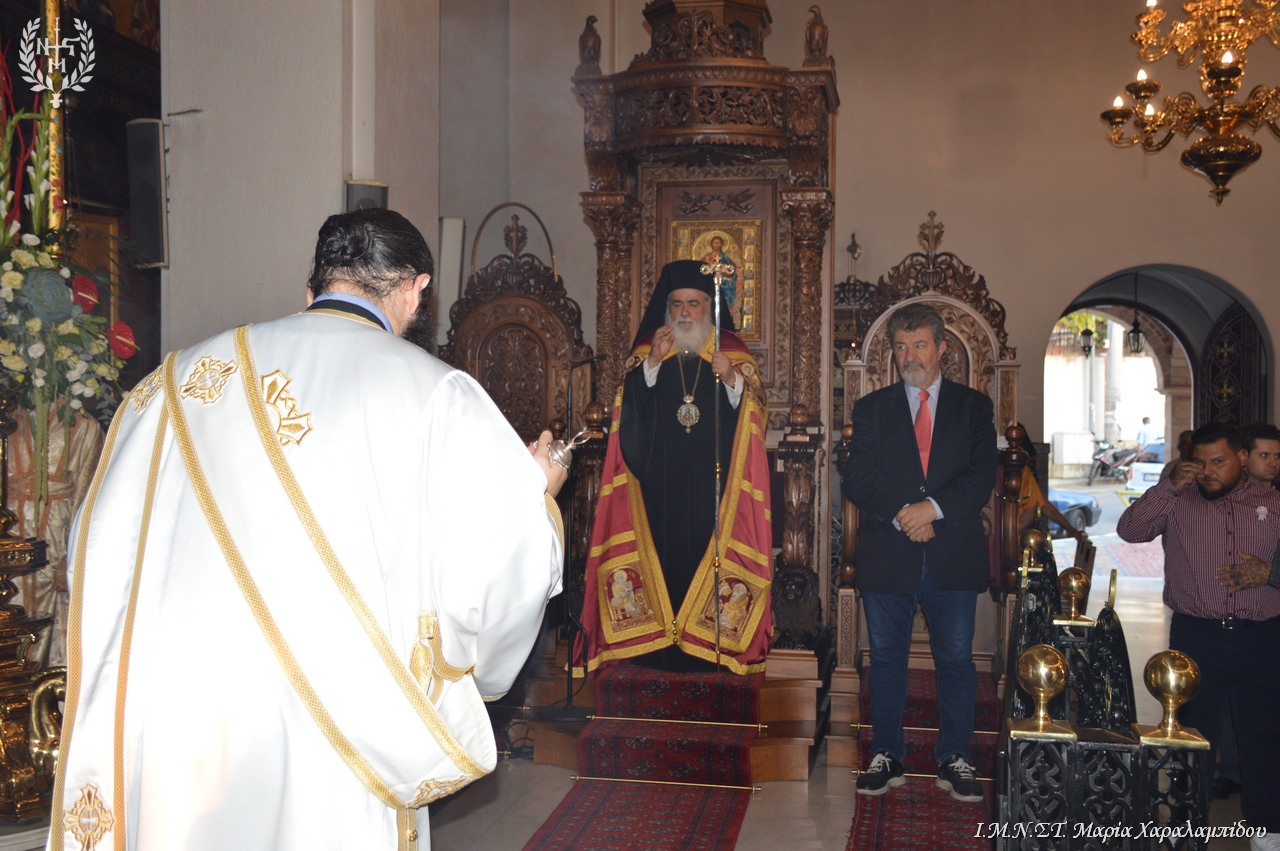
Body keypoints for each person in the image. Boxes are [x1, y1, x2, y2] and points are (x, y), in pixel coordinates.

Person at [50, 209, 568, 851]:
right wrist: (533, 497)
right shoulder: (438, 394)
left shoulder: (180, 380)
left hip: (188, 711)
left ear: (313, 286)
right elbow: (490, 573)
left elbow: (99, 544)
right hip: (335, 727)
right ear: (417, 291)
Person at [575, 260, 772, 674]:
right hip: (659, 488)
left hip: (713, 489)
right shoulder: (651, 351)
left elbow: (755, 418)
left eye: (694, 304)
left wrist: (732, 380)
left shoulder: (731, 353)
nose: (684, 313)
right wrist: (650, 367)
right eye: (677, 304)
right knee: (662, 565)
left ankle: (708, 646)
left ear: (708, 308)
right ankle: (655, 648)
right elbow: (630, 414)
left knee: (704, 560)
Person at [842, 303, 996, 803]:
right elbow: (857, 475)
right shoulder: (872, 408)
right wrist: (904, 514)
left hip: (953, 552)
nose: (911, 356)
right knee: (886, 658)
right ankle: (887, 754)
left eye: (920, 345)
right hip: (889, 553)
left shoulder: (974, 407)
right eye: (902, 346)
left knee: (956, 659)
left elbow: (981, 476)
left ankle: (955, 756)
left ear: (942, 349)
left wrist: (931, 509)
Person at [1117, 422, 1280, 843]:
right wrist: (1169, 486)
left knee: (1263, 739)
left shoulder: (1272, 501)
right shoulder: (1178, 500)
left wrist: (1270, 573)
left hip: (1261, 638)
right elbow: (1130, 530)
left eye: (1218, 462)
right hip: (1196, 637)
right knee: (1190, 737)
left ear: (1242, 458)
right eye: (1200, 462)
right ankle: (1186, 827)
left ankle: (1267, 831)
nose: (1207, 471)